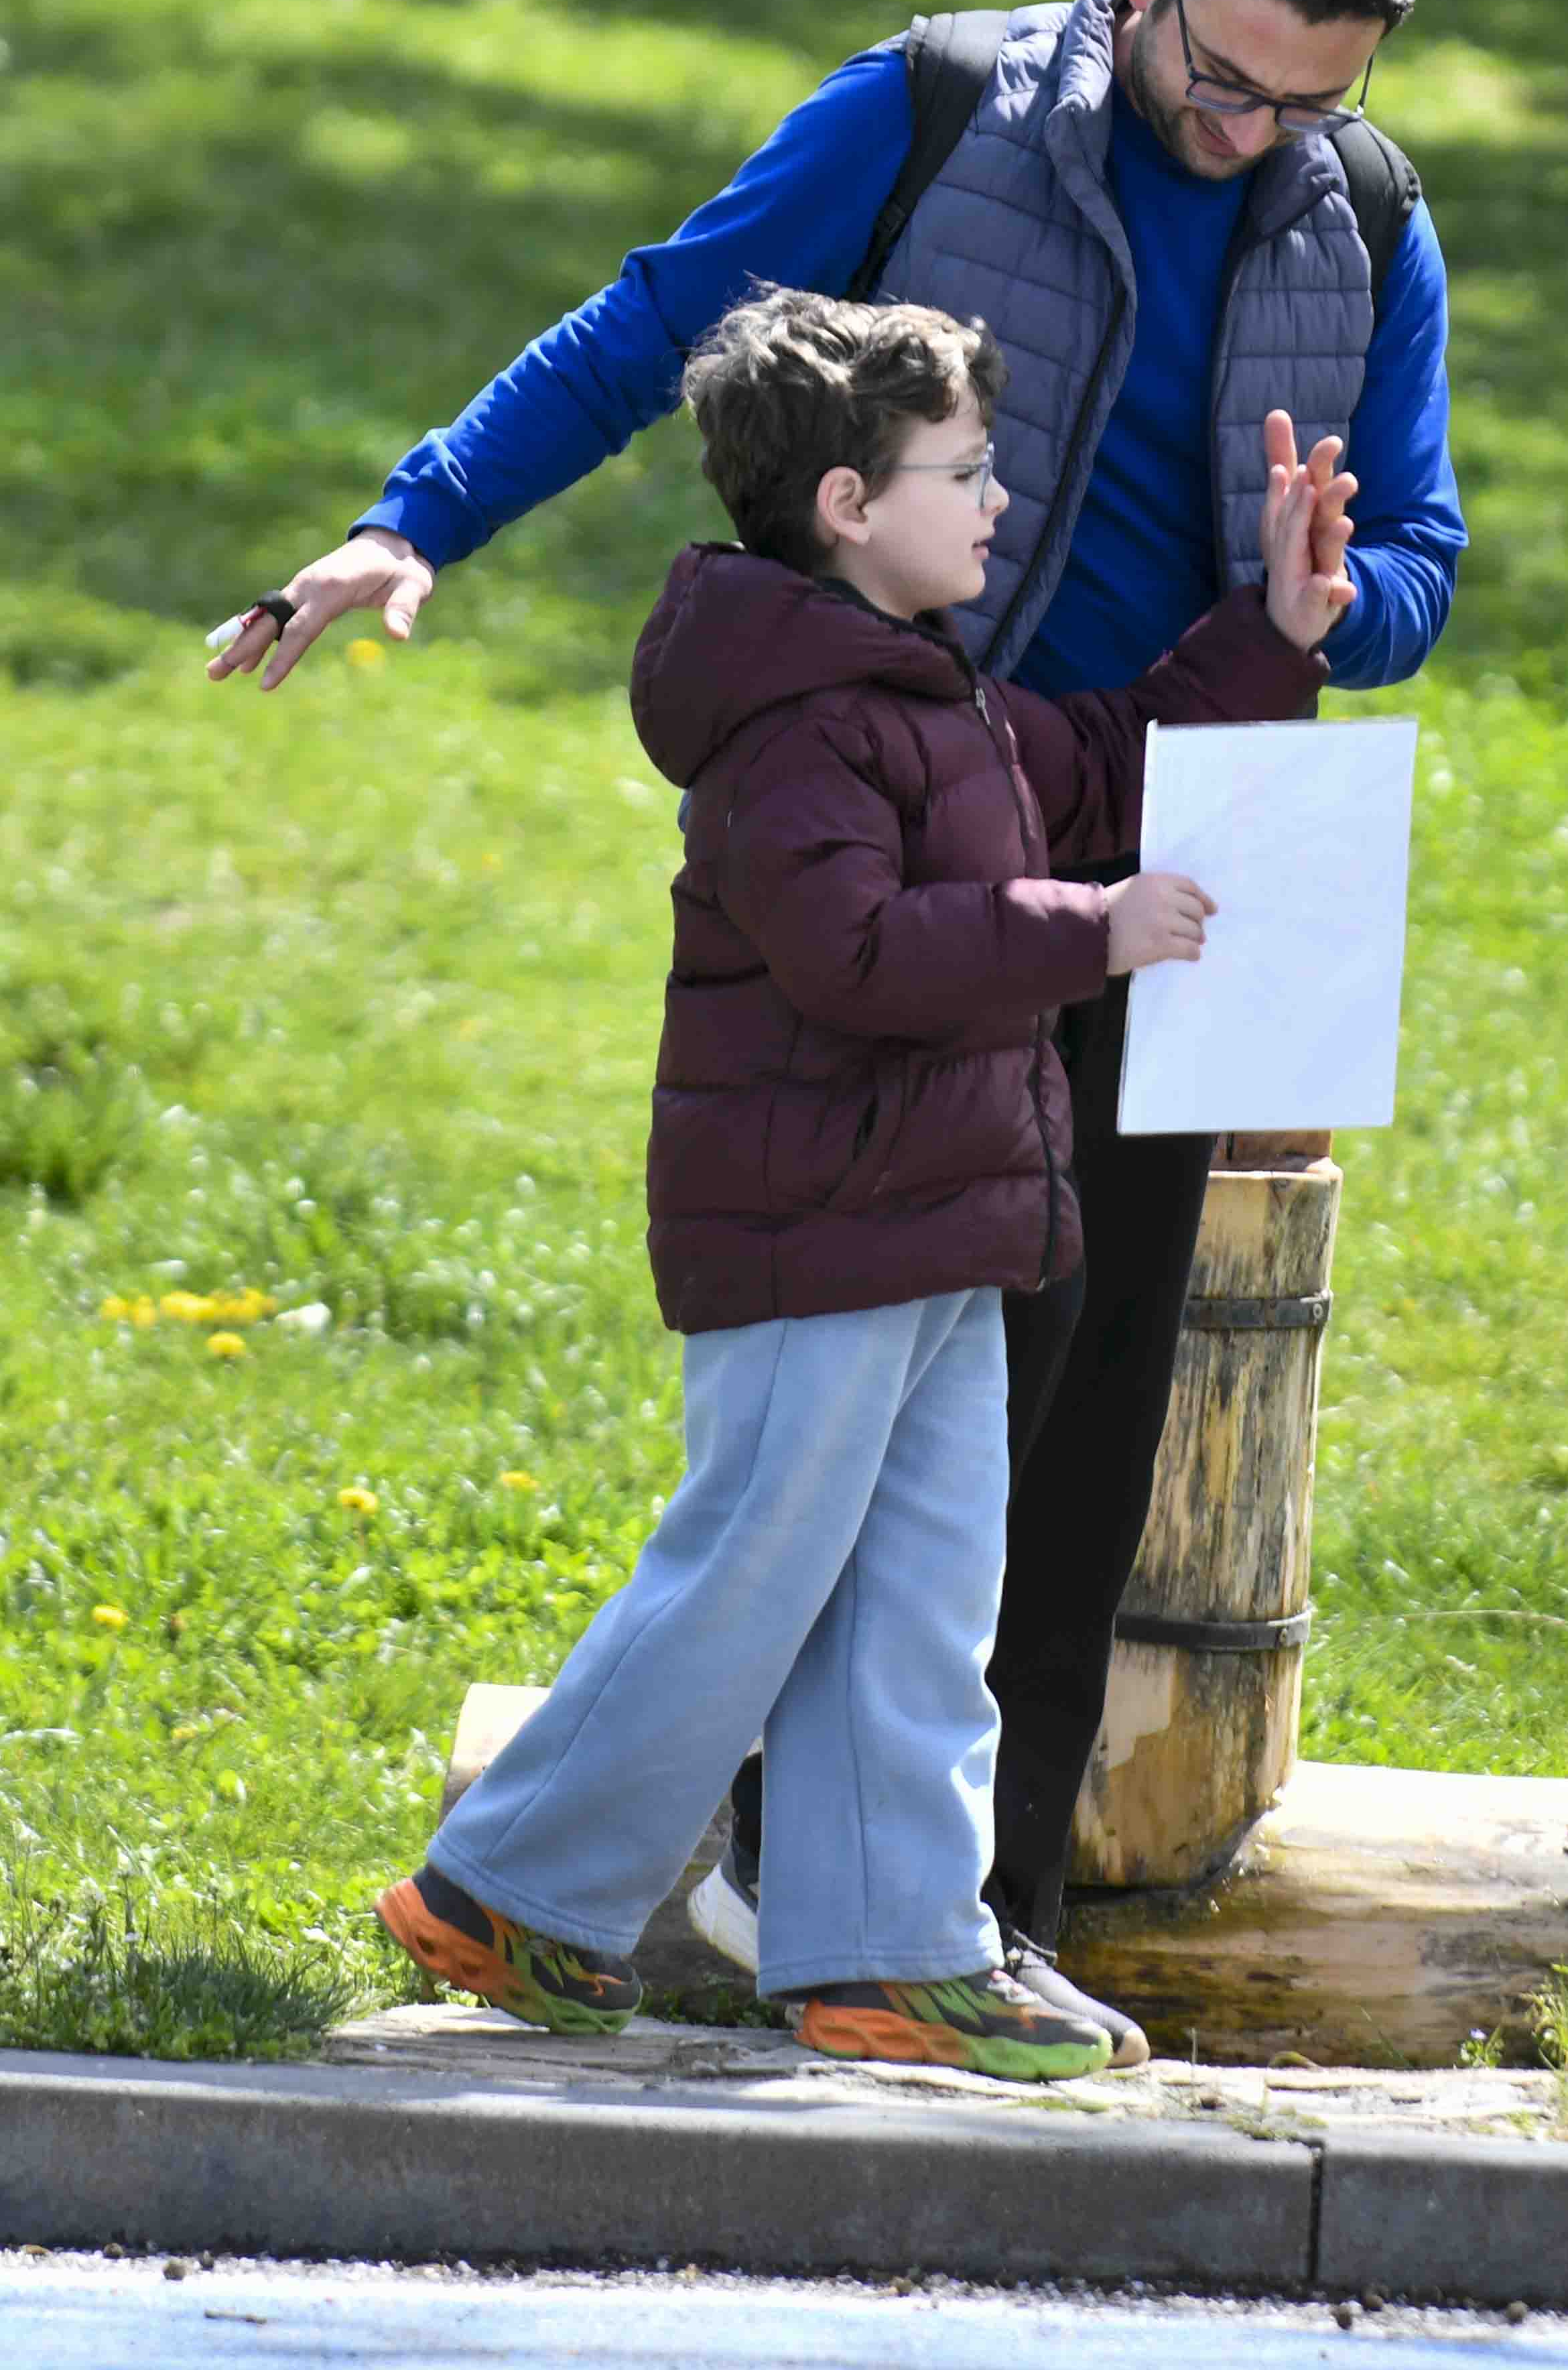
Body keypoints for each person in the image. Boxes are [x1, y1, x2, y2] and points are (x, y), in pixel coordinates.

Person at [235, 0, 1461, 2040]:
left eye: (1311, 100)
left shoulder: (1365, 217)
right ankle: (739, 1891)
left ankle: (954, 1923)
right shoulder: (929, 111)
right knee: (870, 1418)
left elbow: (1420, 571)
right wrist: (416, 519)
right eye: (1225, 74)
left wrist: (1327, 600)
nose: (1251, 131)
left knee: (1072, 1414)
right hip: (922, 822)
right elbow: (657, 321)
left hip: (1179, 818)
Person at [374, 289, 1357, 2078]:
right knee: (752, 1567)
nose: (997, 500)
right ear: (846, 504)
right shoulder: (794, 728)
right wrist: (1094, 930)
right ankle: (510, 1890)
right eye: (963, 471)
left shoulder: (938, 696)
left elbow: (1105, 761)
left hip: (942, 1230)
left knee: (921, 1600)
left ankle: (893, 1950)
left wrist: (1275, 634)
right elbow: (856, 954)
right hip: (814, 1239)